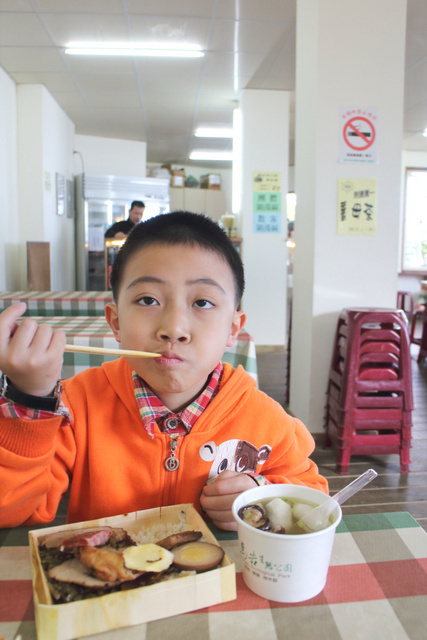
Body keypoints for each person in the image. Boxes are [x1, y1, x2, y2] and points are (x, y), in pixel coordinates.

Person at [0, 211, 328, 530]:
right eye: (147, 300)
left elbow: (312, 494)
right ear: (115, 322)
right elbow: (12, 510)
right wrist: (29, 400)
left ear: (233, 329)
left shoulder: (263, 417)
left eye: (202, 302)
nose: (173, 329)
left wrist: (259, 495)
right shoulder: (77, 405)